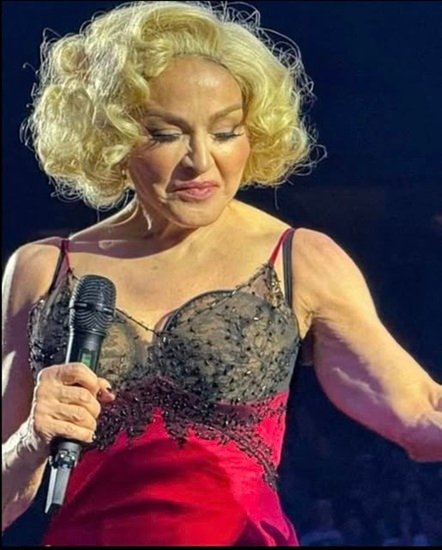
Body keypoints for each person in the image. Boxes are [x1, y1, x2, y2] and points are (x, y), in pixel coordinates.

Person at [2, 1, 441, 546]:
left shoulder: (300, 260)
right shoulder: (41, 270)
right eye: (165, 134)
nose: (200, 161)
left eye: (226, 132)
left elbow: (420, 413)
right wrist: (30, 439)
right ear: (111, 137)